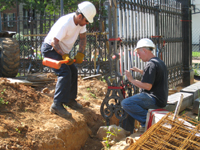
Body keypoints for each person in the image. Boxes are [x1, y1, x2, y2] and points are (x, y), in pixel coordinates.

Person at [40, 1, 96, 119]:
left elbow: (83, 38)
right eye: (86, 21)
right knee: (65, 72)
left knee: (73, 71)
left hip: (60, 51)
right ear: (80, 16)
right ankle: (57, 104)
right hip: (50, 49)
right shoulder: (65, 23)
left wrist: (80, 53)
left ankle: (70, 100)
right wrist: (64, 55)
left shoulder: (81, 23)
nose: (86, 23)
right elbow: (54, 42)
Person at [121, 38, 168, 133]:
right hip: (161, 99)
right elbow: (154, 76)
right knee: (132, 103)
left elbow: (147, 86)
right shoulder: (158, 62)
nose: (138, 56)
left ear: (145, 51)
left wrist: (131, 80)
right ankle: (128, 130)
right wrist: (141, 71)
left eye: (139, 53)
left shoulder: (151, 64)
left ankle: (149, 122)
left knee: (126, 103)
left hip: (154, 99)